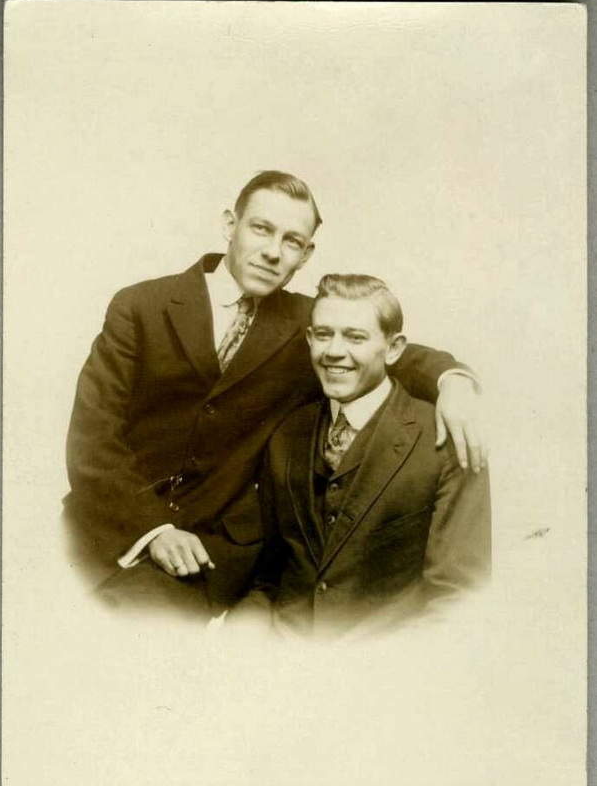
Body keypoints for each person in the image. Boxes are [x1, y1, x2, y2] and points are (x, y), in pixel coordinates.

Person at [64, 171, 486, 618]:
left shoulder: (312, 327)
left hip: (211, 558)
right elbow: (93, 437)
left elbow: (390, 352)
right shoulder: (141, 306)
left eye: (292, 241)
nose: (272, 251)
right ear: (230, 225)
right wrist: (154, 529)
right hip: (108, 528)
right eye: (261, 229)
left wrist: (453, 380)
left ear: (306, 255)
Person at [235, 274, 491, 635]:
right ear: (309, 338)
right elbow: (269, 579)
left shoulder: (446, 439)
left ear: (394, 348)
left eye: (355, 337)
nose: (334, 351)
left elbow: (457, 597)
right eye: (323, 334)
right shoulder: (287, 434)